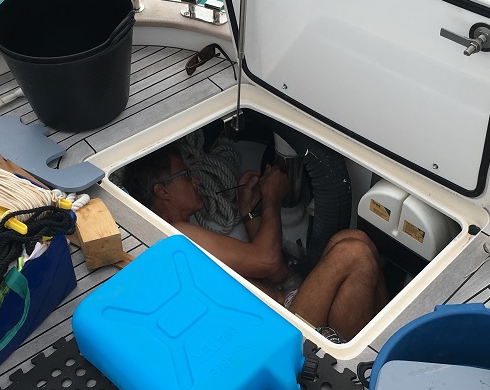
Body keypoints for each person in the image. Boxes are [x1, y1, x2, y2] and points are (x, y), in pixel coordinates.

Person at [123, 146, 387, 341]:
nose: (196, 180)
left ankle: (379, 342)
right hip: (276, 335)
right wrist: (271, 198)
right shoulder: (177, 235)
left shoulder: (185, 231)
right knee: (354, 253)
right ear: (162, 191)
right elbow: (268, 260)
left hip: (285, 309)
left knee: (354, 240)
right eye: (186, 175)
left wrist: (248, 211)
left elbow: (275, 271)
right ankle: (348, 361)